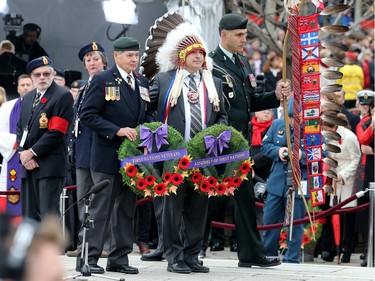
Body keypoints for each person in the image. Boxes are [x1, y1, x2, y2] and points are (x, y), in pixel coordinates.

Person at [209, 13, 290, 267]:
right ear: (224, 35)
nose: (245, 39)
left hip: (240, 145)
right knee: (209, 199)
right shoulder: (211, 65)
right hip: (219, 144)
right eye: (239, 35)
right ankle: (183, 248)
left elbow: (251, 102)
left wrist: (275, 95)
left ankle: (250, 255)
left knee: (243, 199)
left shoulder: (242, 63)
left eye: (245, 35)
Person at [147, 23, 227, 274]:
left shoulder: (214, 82)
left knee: (197, 208)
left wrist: (214, 136)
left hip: (202, 157)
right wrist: (159, 136)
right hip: (173, 155)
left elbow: (222, 116)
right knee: (171, 209)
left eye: (201, 53)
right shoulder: (163, 80)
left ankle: (193, 255)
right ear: (182, 56)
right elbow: (149, 113)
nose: (198, 57)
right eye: (193, 53)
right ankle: (174, 257)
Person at [78, 37, 149, 275]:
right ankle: (90, 258)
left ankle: (119, 257)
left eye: (136, 55)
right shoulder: (102, 79)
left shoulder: (141, 81)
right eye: (129, 55)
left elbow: (144, 115)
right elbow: (87, 115)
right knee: (101, 209)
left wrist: (150, 135)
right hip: (107, 154)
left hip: (132, 158)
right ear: (116, 56)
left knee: (126, 209)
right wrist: (115, 130)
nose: (133, 59)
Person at [16, 56, 74, 221]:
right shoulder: (28, 97)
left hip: (50, 166)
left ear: (53, 74)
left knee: (48, 217)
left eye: (46, 74)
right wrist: (23, 154)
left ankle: (51, 248)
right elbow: (20, 127)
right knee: (29, 216)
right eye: (38, 74)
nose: (42, 78)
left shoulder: (62, 96)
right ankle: (32, 247)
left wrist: (32, 152)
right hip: (28, 165)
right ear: (32, 77)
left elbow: (57, 132)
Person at [66, 42, 108, 258]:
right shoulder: (84, 89)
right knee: (84, 199)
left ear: (104, 61)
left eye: (96, 59)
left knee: (102, 199)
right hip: (83, 151)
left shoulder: (109, 84)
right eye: (88, 60)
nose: (92, 63)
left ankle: (104, 244)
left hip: (101, 149)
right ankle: (85, 243)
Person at [261, 100, 308, 263]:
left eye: (297, 118)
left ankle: (292, 258)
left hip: (299, 180)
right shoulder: (277, 124)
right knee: (270, 220)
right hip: (277, 181)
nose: (293, 121)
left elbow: (321, 152)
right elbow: (264, 145)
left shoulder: (312, 129)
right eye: (290, 117)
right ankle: (269, 255)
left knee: (296, 223)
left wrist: (302, 156)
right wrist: (278, 151)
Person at [0, 74, 33, 218]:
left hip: (36, 156)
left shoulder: (42, 104)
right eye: (22, 85)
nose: (25, 87)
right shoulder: (7, 107)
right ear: (18, 88)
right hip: (13, 156)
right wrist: (21, 143)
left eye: (28, 84)